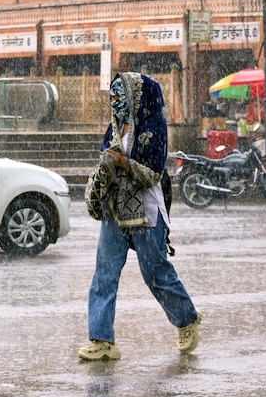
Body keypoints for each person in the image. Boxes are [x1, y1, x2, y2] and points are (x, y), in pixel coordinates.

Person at [79, 72, 202, 361]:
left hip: (146, 210)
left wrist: (123, 163)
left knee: (155, 272)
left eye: (121, 96)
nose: (116, 101)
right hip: (115, 209)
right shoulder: (113, 129)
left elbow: (151, 174)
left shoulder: (153, 130)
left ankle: (187, 320)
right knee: (104, 274)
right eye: (113, 96)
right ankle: (102, 340)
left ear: (136, 98)